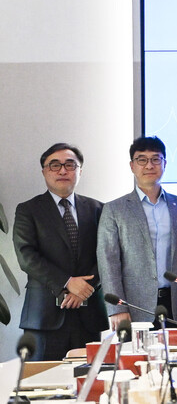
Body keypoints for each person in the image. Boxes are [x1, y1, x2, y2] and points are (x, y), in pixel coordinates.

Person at [13, 143, 107, 360]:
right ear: (44, 171)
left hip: (89, 315)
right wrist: (67, 282)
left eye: (70, 165)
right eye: (55, 165)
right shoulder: (28, 210)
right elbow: (26, 256)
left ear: (80, 171)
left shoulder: (98, 209)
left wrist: (84, 288)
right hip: (43, 315)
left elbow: (107, 254)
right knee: (41, 378)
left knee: (88, 376)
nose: (63, 170)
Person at [97, 136, 177, 327]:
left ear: (165, 164)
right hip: (134, 307)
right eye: (142, 160)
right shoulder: (114, 209)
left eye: (156, 159)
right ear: (132, 166)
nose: (149, 165)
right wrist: (117, 308)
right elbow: (108, 262)